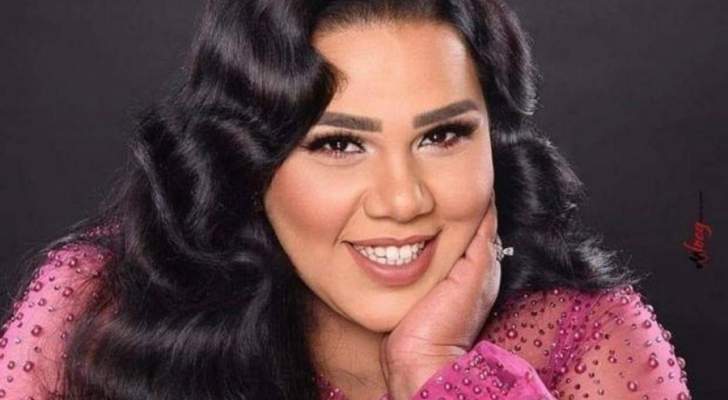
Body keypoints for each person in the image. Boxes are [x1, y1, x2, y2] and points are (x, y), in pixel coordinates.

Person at [0, 1, 692, 399]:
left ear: (497, 143)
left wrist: (441, 371)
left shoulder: (588, 335)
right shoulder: (93, 307)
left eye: (443, 135)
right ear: (248, 161)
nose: (402, 200)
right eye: (338, 144)